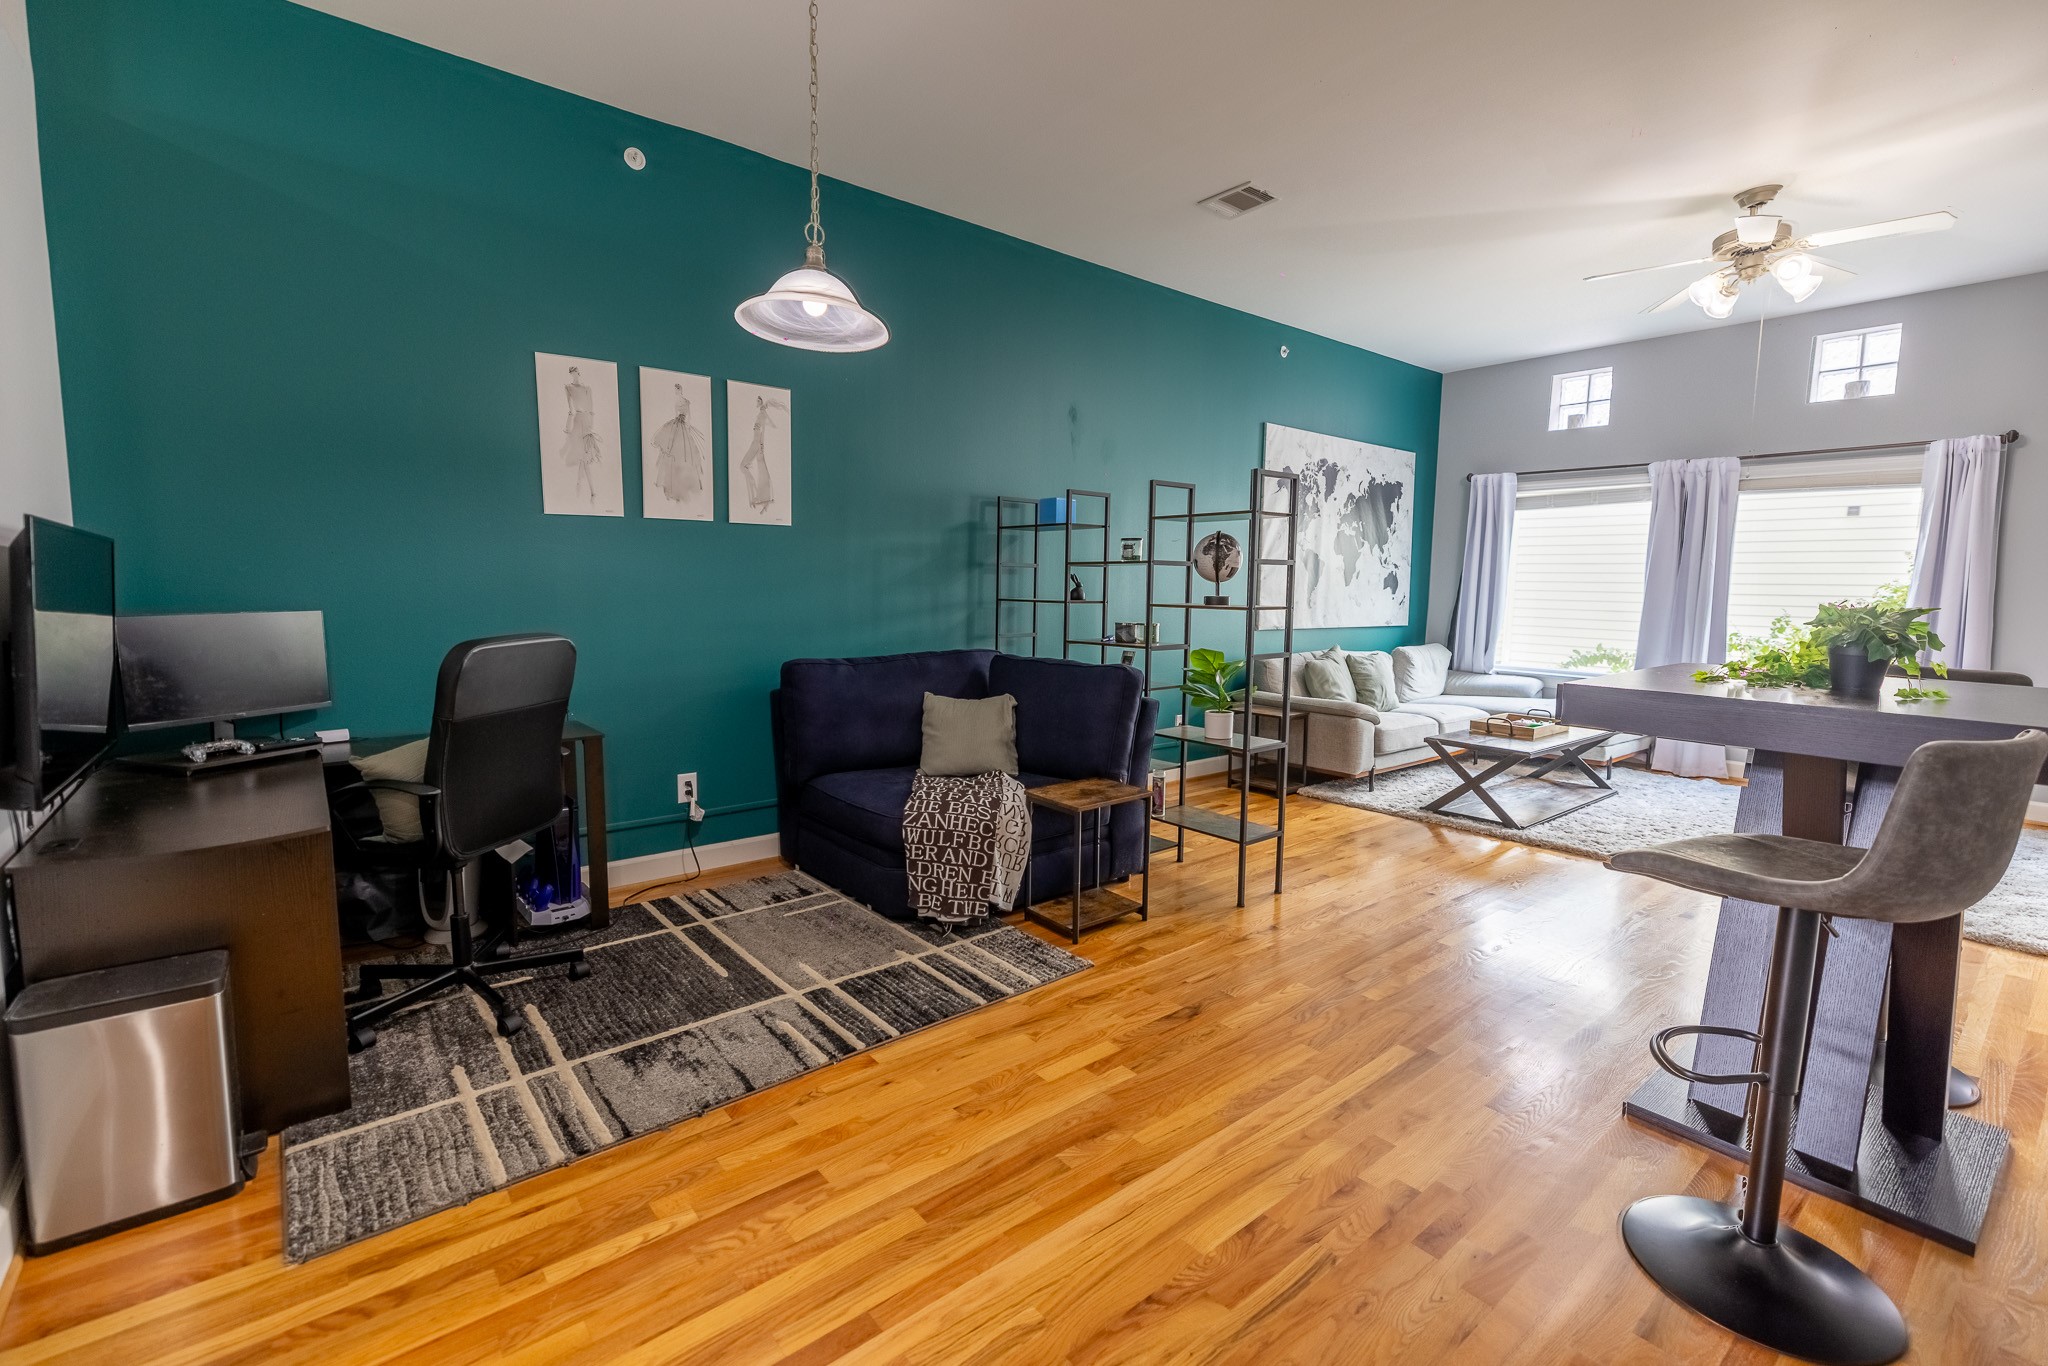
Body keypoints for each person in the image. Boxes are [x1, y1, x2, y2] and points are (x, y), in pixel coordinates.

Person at [648, 383, 705, 504]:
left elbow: (689, 416)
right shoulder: (678, 402)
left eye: (676, 390)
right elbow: (677, 415)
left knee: (683, 453)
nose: (675, 392)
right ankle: (673, 485)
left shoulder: (685, 402)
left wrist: (688, 427)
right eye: (675, 390)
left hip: (683, 427)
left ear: (680, 390)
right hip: (677, 426)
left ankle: (683, 483)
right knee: (674, 452)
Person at [558, 366, 602, 500]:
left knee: (584, 457)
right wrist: (567, 427)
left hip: (586, 424)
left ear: (578, 372)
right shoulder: (568, 387)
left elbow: (591, 409)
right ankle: (591, 490)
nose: (573, 375)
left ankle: (583, 487)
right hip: (577, 423)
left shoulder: (587, 388)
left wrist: (590, 429)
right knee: (582, 457)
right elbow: (570, 409)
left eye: (574, 372)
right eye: (571, 373)